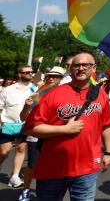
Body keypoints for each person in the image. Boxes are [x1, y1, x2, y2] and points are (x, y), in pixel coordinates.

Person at [23, 53, 110, 201]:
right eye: (77, 65)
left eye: (86, 65)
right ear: (70, 69)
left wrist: (109, 152)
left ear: (94, 68)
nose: (81, 69)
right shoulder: (52, 94)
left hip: (87, 169)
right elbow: (30, 128)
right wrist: (63, 129)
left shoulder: (101, 95)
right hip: (53, 168)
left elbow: (106, 125)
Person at [18, 66, 65, 201]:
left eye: (55, 76)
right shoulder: (39, 93)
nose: (51, 78)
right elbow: (23, 118)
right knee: (33, 164)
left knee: (55, 166)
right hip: (37, 135)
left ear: (61, 79)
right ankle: (26, 190)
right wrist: (27, 106)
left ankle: (48, 193)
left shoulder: (65, 93)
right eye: (49, 75)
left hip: (57, 136)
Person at [0, 64, 35, 188]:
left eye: (31, 72)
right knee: (4, 152)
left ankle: (14, 177)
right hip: (7, 124)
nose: (30, 74)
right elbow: (0, 107)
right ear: (20, 74)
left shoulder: (34, 89)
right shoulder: (8, 89)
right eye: (26, 72)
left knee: (20, 149)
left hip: (25, 125)